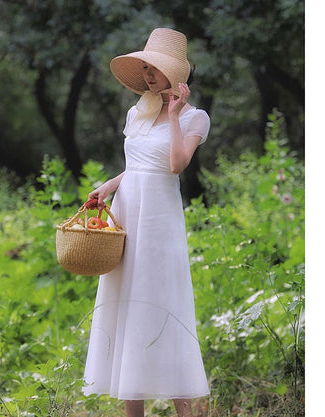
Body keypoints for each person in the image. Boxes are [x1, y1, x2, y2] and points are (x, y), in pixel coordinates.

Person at [82, 28, 210, 417]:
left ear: (175, 74)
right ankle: (132, 410)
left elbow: (173, 166)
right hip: (127, 209)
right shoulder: (137, 113)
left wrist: (173, 115)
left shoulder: (194, 118)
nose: (148, 74)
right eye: (145, 67)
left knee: (162, 302)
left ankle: (184, 410)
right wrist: (108, 185)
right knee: (126, 303)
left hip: (158, 218)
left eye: (154, 68)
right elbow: (137, 166)